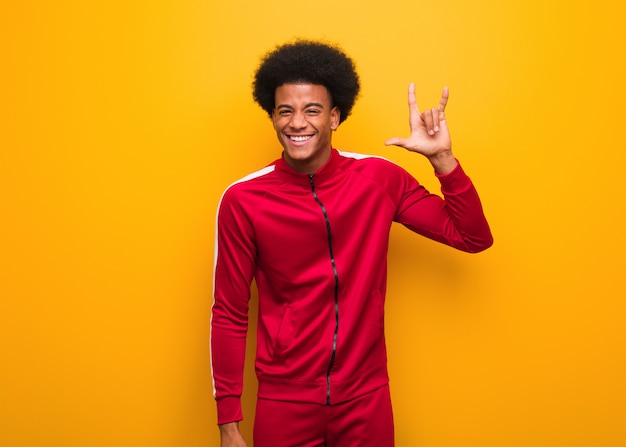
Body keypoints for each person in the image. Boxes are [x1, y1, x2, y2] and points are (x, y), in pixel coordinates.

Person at [210, 39, 493, 447]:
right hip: (284, 400)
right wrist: (228, 423)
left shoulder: (380, 180)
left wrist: (443, 160)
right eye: (285, 110)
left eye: (312, 110)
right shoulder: (243, 199)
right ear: (272, 116)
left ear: (335, 116)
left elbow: (472, 237)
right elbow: (229, 312)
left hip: (366, 398)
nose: (297, 123)